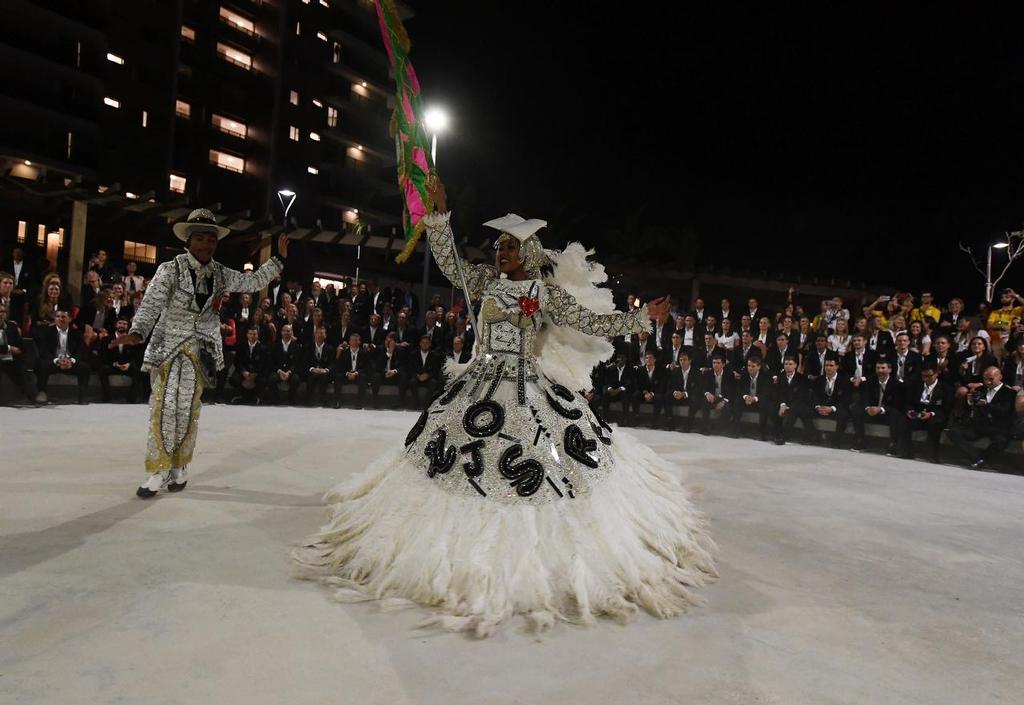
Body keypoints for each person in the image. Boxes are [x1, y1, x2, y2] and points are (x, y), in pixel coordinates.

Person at [295, 176, 714, 636]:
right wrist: (438, 215)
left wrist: (640, 318)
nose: (500, 255)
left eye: (509, 249)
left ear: (529, 255)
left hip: (528, 388)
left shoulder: (546, 294)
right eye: (497, 248)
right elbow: (451, 267)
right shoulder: (485, 282)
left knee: (550, 465)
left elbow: (591, 320)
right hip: (478, 385)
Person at [111, 209, 287, 498]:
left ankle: (179, 465)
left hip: (199, 351)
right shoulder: (170, 269)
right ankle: (158, 468)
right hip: (169, 348)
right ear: (189, 241)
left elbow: (252, 282)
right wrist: (137, 332)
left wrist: (278, 260)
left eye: (211, 240)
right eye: (201, 239)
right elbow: (151, 304)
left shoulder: (219, 272)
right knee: (165, 407)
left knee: (189, 410)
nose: (206, 245)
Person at [947, 366, 1017, 469]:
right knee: (953, 432)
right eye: (985, 379)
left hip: (998, 426)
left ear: (1000, 377)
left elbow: (1005, 412)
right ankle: (977, 457)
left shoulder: (1009, 393)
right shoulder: (980, 389)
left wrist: (987, 405)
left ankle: (982, 458)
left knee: (1001, 441)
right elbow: (971, 406)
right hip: (980, 424)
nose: (988, 382)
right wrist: (970, 401)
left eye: (991, 379)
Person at [900, 362, 953, 462]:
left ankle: (932, 455)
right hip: (918, 414)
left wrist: (931, 414)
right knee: (905, 421)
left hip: (935, 415)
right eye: (923, 376)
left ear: (936, 374)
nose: (926, 379)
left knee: (935, 423)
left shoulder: (946, 388)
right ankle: (906, 451)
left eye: (929, 376)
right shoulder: (916, 385)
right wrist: (910, 411)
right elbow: (908, 402)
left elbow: (946, 408)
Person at [35, 309, 90, 404]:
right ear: (54, 319)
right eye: (58, 317)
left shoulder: (77, 333)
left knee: (85, 368)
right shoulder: (46, 332)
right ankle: (42, 392)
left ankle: (82, 397)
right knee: (41, 365)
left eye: (64, 317)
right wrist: (57, 360)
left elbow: (81, 350)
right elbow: (43, 351)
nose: (61, 319)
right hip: (54, 361)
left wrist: (72, 361)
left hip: (70, 363)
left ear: (70, 319)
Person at [99, 316, 142, 403]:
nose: (121, 325)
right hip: (113, 365)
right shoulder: (106, 339)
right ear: (116, 325)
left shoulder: (132, 340)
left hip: (126, 366)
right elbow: (102, 355)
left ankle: (131, 399)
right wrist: (114, 364)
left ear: (128, 326)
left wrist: (129, 364)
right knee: (103, 370)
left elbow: (137, 356)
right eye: (120, 323)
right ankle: (107, 398)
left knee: (139, 372)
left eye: (124, 324)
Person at [0, 300, 34, 404]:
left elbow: (21, 345)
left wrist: (19, 350)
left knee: (21, 368)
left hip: (9, 358)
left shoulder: (11, 326)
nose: (1, 314)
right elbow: (11, 348)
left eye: (3, 312)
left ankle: (33, 396)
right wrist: (9, 348)